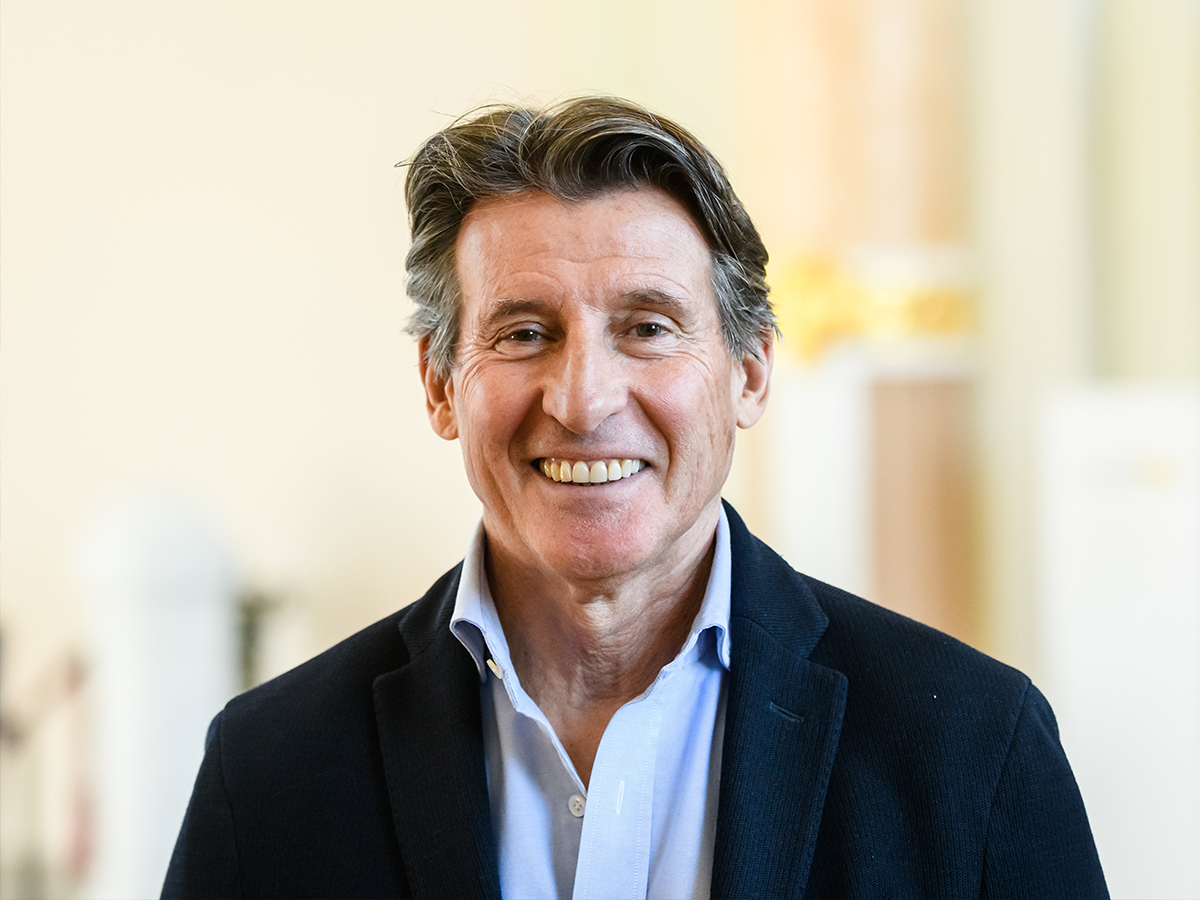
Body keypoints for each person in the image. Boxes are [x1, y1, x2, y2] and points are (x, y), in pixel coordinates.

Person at [163, 97, 1107, 899]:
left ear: (748, 373)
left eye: (648, 328)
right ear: (441, 384)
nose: (584, 402)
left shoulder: (973, 752)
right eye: (524, 333)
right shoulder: (272, 772)